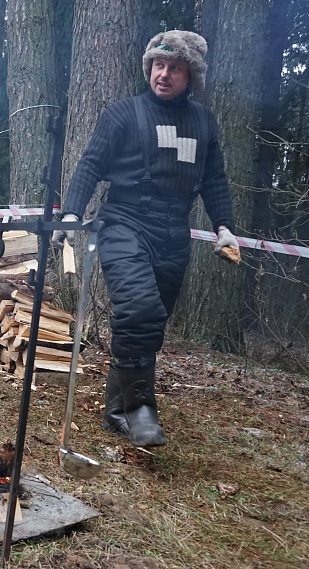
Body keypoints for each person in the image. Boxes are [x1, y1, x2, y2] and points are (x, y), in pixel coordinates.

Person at [52, 30, 238, 447]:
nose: (164, 74)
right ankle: (140, 410)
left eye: (175, 68)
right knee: (138, 308)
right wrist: (71, 214)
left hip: (174, 233)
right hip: (123, 223)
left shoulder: (204, 123)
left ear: (191, 75)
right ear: (148, 67)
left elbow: (215, 180)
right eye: (158, 65)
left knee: (151, 327)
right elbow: (90, 164)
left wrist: (223, 226)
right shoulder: (123, 114)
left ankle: (116, 410)